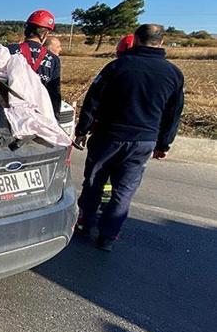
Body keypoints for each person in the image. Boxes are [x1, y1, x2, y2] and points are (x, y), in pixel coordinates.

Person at [74, 24, 184, 251]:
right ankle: (108, 236)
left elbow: (92, 100)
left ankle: (85, 224)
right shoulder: (173, 74)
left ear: (135, 40)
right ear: (161, 42)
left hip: (108, 137)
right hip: (144, 141)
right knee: (123, 191)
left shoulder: (116, 67)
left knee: (94, 182)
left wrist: (82, 129)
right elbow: (173, 114)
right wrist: (164, 143)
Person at [8, 10, 62, 116]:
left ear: (27, 29)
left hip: (11, 114)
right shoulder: (53, 59)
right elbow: (54, 94)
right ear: (45, 33)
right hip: (40, 115)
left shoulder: (8, 50)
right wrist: (55, 120)